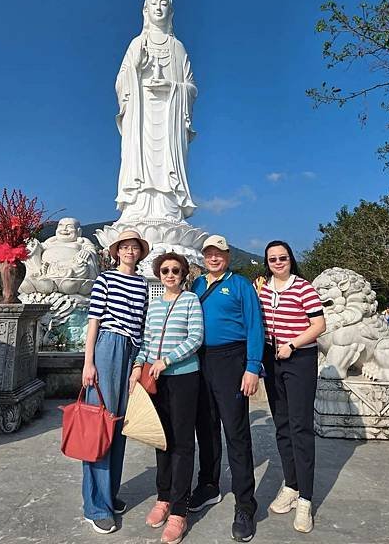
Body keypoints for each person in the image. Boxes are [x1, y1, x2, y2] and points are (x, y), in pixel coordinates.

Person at [189, 235, 264, 543]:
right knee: (205, 427)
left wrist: (252, 366)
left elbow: (255, 325)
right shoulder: (195, 285)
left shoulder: (242, 285)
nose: (214, 257)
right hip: (199, 359)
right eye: (209, 253)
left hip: (232, 359)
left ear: (228, 255)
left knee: (236, 432)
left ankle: (245, 504)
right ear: (204, 256)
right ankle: (208, 483)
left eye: (219, 253)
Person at [130, 252, 203, 544]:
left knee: (183, 443)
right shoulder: (155, 304)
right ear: (158, 274)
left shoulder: (190, 301)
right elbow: (147, 341)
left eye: (175, 270)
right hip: (155, 379)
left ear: (184, 274)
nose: (170, 275)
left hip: (184, 376)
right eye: (164, 271)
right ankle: (163, 497)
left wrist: (167, 360)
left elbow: (196, 337)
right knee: (161, 439)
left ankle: (179, 510)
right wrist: (138, 365)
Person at [254, 240, 325, 534]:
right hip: (272, 361)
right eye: (272, 259)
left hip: (299, 359)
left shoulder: (303, 287)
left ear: (290, 259)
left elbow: (319, 324)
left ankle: (306, 498)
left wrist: (293, 344)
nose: (278, 262)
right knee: (282, 425)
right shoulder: (264, 289)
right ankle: (291, 484)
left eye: (283, 257)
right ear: (267, 262)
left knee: (300, 427)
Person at [81, 229, 149, 534]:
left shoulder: (143, 284)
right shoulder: (105, 279)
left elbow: (144, 325)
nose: (130, 251)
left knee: (119, 426)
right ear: (116, 251)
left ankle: (109, 494)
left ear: (140, 253)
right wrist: (89, 362)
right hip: (108, 345)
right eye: (125, 247)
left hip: (131, 348)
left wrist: (138, 362)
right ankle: (95, 505)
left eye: (135, 248)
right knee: (101, 425)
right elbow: (94, 320)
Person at [115, 0, 198, 223]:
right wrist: (136, 69)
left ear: (170, 10)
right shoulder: (137, 44)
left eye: (163, 3)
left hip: (169, 114)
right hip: (141, 114)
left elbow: (191, 87)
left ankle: (169, 208)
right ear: (146, 9)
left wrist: (173, 88)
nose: (159, 8)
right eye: (154, 3)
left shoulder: (177, 47)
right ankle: (138, 207)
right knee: (138, 159)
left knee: (167, 162)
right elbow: (120, 82)